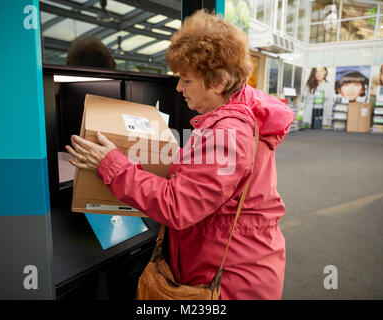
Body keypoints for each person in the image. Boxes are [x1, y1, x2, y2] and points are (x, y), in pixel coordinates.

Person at [66, 10, 294, 300]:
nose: (178, 88)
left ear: (218, 82)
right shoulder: (239, 116)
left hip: (230, 283)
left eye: (186, 80)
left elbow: (177, 207)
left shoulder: (228, 134)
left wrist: (112, 165)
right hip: (241, 266)